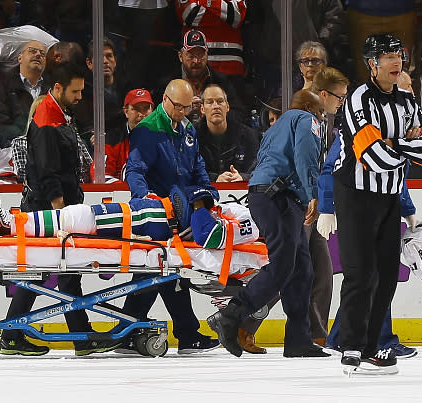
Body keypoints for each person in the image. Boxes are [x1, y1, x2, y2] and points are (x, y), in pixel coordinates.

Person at [332, 34, 422, 373]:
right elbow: (371, 155)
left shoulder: (407, 102)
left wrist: (392, 142)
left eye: (399, 55)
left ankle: (371, 346)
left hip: (390, 197)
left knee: (388, 276)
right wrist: (403, 144)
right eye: (388, 56)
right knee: (360, 274)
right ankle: (350, 345)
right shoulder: (357, 99)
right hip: (356, 196)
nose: (396, 62)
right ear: (371, 64)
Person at [0, 63, 119, 357]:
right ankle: (75, 337)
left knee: (53, 274)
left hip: (54, 207)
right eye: (75, 91)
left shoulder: (59, 116)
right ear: (57, 88)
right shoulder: (47, 120)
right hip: (49, 210)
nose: (80, 96)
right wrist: (62, 216)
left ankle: (18, 334)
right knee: (59, 274)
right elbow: (48, 172)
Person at [207, 90, 329, 358]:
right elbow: (305, 158)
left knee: (301, 269)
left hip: (266, 195)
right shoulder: (307, 120)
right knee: (285, 265)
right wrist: (312, 195)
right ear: (309, 107)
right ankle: (231, 314)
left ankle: (299, 339)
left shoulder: (278, 126)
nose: (322, 117)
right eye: (320, 111)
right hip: (280, 198)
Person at [318, 68, 421, 360]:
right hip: (358, 208)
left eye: (411, 90)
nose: (410, 96)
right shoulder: (363, 125)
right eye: (405, 90)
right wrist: (327, 208)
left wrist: (409, 211)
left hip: (381, 207)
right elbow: (333, 167)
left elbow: (396, 178)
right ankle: (375, 339)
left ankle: (346, 336)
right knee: (367, 277)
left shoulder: (402, 128)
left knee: (372, 277)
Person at [121, 78, 220, 354]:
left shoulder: (188, 128)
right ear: (165, 99)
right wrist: (144, 197)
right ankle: (174, 332)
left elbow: (197, 165)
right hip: (156, 213)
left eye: (188, 107)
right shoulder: (147, 130)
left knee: (167, 272)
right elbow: (135, 169)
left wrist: (206, 191)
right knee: (158, 272)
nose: (183, 112)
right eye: (178, 106)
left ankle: (134, 330)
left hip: (182, 210)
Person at [0, 190, 258, 251]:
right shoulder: (247, 209)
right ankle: (11, 221)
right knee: (83, 215)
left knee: (83, 217)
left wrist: (199, 203)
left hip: (158, 221)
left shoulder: (253, 223)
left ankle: (8, 225)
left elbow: (209, 237)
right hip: (158, 212)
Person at [0, 40, 49, 148]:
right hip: (13, 150)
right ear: (20, 58)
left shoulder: (53, 90)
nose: (38, 54)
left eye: (42, 54)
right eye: (32, 51)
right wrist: (25, 140)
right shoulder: (2, 88)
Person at [195, 84, 259, 182]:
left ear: (228, 106)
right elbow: (190, 173)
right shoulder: (193, 137)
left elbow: (259, 169)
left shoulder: (248, 135)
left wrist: (243, 177)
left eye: (220, 101)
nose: (216, 106)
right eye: (210, 102)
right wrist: (215, 178)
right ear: (202, 109)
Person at [174, 0, 247, 77]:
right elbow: (189, 15)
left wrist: (202, 3)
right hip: (194, 61)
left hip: (230, 63)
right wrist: (222, 16)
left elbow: (237, 16)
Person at [95, 88, 154, 183]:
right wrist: (129, 190)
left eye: (146, 109)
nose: (142, 114)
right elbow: (99, 177)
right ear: (126, 111)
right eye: (136, 109)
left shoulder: (164, 138)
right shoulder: (111, 140)